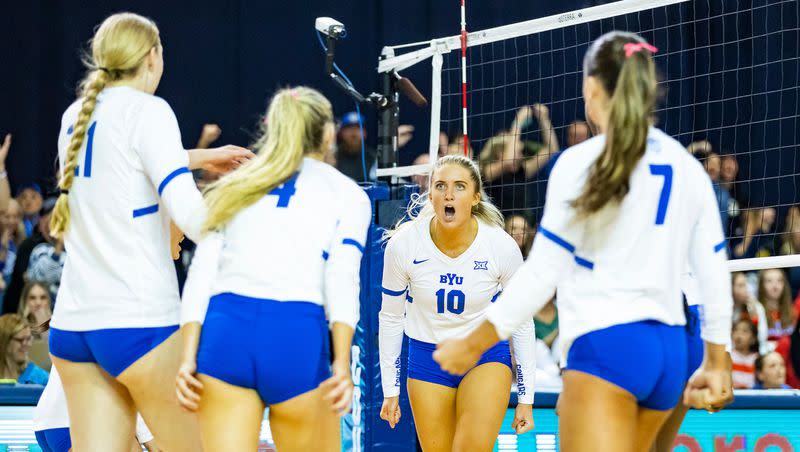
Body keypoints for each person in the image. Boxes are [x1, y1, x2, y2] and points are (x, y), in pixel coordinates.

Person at [432, 31, 733, 452]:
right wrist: (718, 359)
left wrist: (474, 342)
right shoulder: (687, 166)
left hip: (608, 346)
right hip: (672, 350)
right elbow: (714, 271)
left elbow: (542, 271)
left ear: (591, 88)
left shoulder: (580, 164)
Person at [46, 12, 250, 451]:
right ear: (153, 57)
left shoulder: (73, 116)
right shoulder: (150, 110)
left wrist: (196, 157)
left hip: (73, 326)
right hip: (137, 322)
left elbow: (121, 165)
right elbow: (194, 217)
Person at [176, 86, 371, 452]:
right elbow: (342, 278)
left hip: (225, 332)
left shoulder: (237, 184)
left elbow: (201, 274)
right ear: (327, 133)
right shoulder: (348, 194)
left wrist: (187, 358)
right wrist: (342, 363)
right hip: (293, 333)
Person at [378, 155, 535, 452]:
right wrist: (390, 389)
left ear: (476, 197)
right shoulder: (404, 245)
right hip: (428, 358)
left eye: (459, 186)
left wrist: (526, 398)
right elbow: (390, 318)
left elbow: (522, 320)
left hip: (484, 355)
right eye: (440, 185)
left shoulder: (500, 246)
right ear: (431, 194)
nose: (449, 194)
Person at [0, 313, 48, 384]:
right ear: (4, 341)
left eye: (28, 339)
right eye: (20, 340)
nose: (27, 344)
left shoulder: (42, 378)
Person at [18, 281, 52, 369]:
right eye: (32, 298)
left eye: (43, 298)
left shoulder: (58, 326)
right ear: (25, 302)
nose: (38, 303)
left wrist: (45, 324)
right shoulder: (15, 326)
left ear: (48, 301)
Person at [335, 111, 376, 182]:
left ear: (365, 133)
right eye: (349, 128)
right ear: (341, 133)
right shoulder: (332, 157)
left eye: (358, 128)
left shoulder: (374, 157)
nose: (354, 134)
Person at [730, 319, 759, 389]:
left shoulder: (756, 359)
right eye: (736, 330)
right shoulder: (727, 356)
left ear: (753, 339)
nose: (739, 334)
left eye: (744, 331)